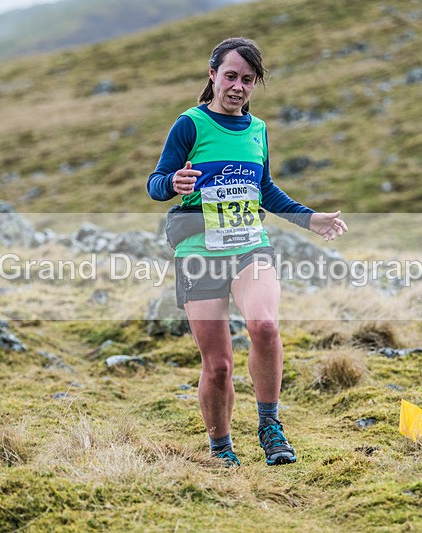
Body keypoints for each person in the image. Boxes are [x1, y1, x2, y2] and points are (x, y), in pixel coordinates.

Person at [147, 37, 347, 467]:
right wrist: (173, 184)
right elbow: (156, 182)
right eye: (231, 76)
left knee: (265, 325)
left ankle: (269, 426)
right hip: (199, 250)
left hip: (249, 245)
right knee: (218, 365)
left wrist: (309, 218)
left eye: (248, 79)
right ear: (213, 75)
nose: (238, 86)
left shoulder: (258, 130)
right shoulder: (190, 125)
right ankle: (221, 448)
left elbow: (265, 189)